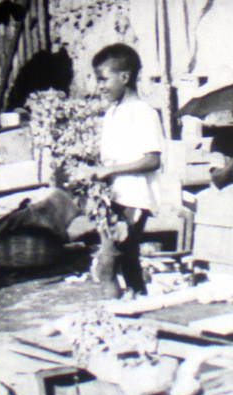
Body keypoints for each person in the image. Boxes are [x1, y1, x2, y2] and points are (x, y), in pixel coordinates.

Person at [85, 43, 164, 297]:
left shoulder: (143, 113)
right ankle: (138, 299)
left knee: (108, 262)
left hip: (135, 198)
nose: (100, 86)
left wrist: (110, 171)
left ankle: (112, 311)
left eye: (103, 79)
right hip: (115, 197)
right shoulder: (112, 112)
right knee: (128, 257)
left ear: (125, 77)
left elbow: (152, 160)